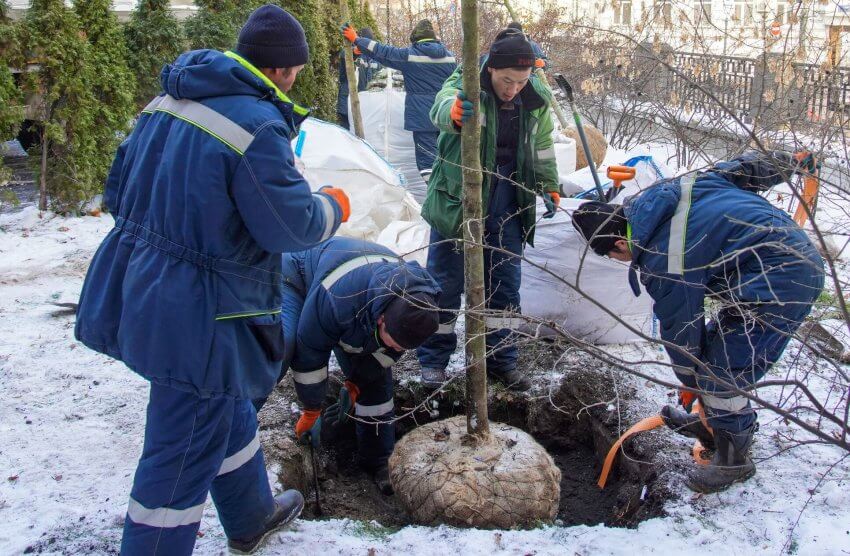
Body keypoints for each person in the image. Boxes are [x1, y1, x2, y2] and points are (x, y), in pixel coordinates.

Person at [74, 5, 351, 554]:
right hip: (204, 309)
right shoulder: (256, 125)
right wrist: (332, 205)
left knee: (222, 404)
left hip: (147, 285)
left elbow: (117, 189)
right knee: (180, 449)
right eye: (294, 68)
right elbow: (291, 227)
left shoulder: (167, 101)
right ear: (283, 70)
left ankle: (250, 517)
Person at [571, 151, 825, 493]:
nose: (622, 260)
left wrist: (691, 382)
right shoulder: (678, 189)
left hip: (783, 281)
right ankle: (716, 423)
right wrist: (791, 162)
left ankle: (734, 459)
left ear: (619, 242)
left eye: (616, 257)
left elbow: (682, 335)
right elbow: (745, 168)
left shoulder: (663, 258)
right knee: (719, 356)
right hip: (773, 261)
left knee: (722, 373)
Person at [416, 28, 560, 391]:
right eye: (507, 80)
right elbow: (441, 103)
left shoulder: (534, 99)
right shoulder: (467, 81)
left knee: (506, 287)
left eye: (522, 81)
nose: (513, 89)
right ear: (491, 69)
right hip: (459, 200)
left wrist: (549, 184)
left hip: (509, 200)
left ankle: (500, 360)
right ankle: (433, 362)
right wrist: (452, 112)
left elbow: (542, 145)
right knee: (445, 285)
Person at [253, 237, 439, 494]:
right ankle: (239, 418)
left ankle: (378, 461)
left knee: (377, 386)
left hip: (355, 309)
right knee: (282, 347)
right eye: (394, 343)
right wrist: (312, 409)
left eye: (402, 348)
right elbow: (310, 351)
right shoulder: (339, 298)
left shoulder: (416, 306)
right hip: (296, 278)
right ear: (382, 320)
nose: (397, 351)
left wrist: (355, 384)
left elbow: (384, 356)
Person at [341, 19, 456, 183]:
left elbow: (383, 52)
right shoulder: (450, 58)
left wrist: (357, 40)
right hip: (446, 115)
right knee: (446, 158)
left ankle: (436, 197)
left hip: (423, 117)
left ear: (416, 40)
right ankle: (450, 192)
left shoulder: (411, 56)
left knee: (427, 163)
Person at [336, 27, 381, 130]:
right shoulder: (350, 52)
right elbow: (345, 56)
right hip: (347, 104)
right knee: (346, 134)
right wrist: (355, 52)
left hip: (365, 105)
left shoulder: (375, 58)